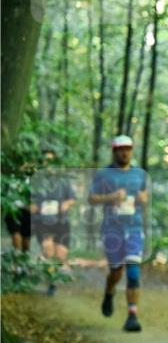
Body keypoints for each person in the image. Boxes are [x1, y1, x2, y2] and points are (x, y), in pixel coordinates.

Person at [88, 135, 148, 332]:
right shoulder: (104, 174)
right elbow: (92, 198)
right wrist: (111, 197)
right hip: (112, 229)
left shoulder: (140, 174)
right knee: (116, 271)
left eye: (128, 148)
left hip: (134, 228)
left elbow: (146, 195)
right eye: (121, 149)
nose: (125, 152)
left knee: (133, 270)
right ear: (114, 151)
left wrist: (142, 198)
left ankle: (132, 316)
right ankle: (109, 292)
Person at [31, 147, 77, 295]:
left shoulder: (63, 180)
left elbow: (72, 199)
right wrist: (31, 206)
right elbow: (27, 200)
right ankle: (51, 283)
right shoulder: (36, 180)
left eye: (51, 161)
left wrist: (66, 204)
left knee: (61, 254)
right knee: (49, 250)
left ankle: (51, 272)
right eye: (45, 161)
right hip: (42, 222)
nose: (48, 164)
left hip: (61, 222)